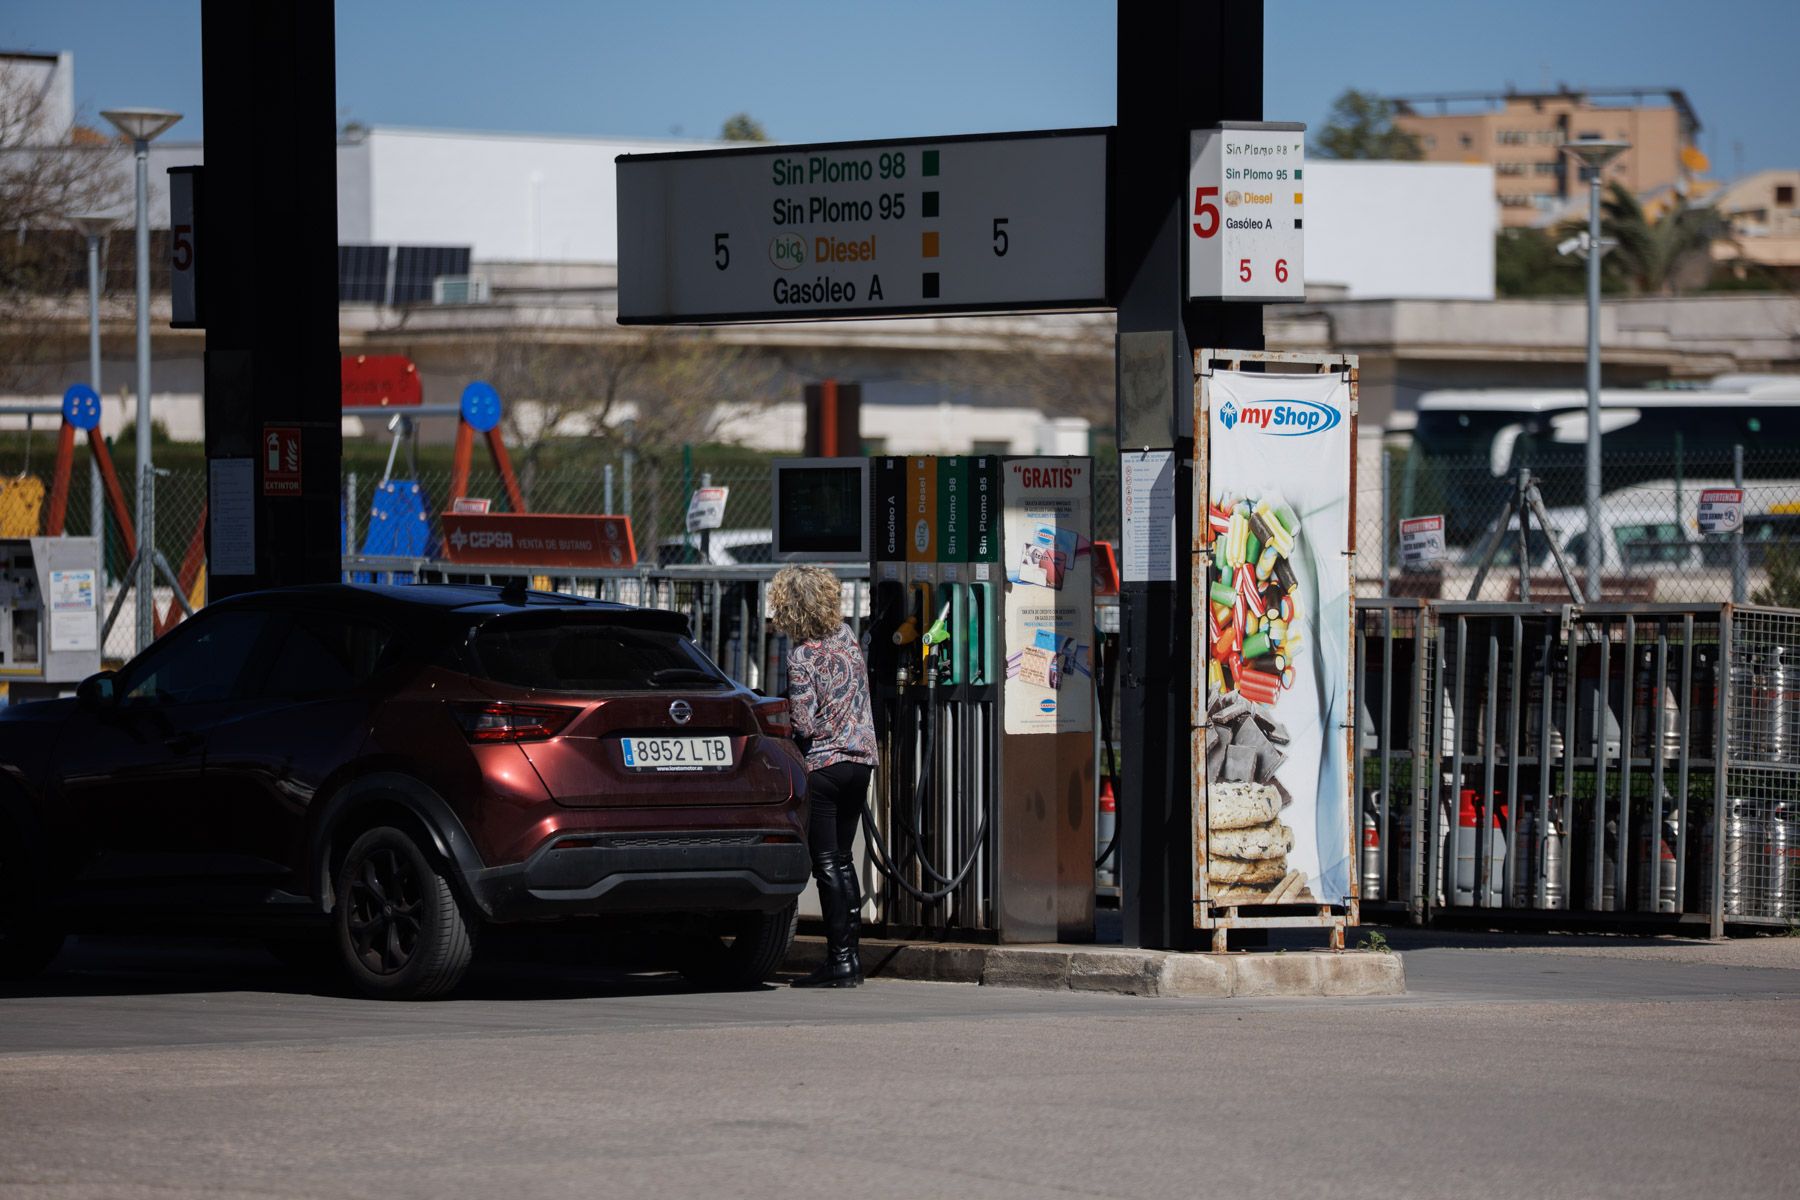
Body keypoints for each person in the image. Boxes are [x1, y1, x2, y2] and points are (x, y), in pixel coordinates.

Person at [767, 564, 877, 988]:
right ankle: (850, 959)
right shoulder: (847, 636)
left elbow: (804, 723)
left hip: (825, 767)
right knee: (843, 860)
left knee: (827, 863)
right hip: (860, 762)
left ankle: (840, 961)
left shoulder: (801, 657)